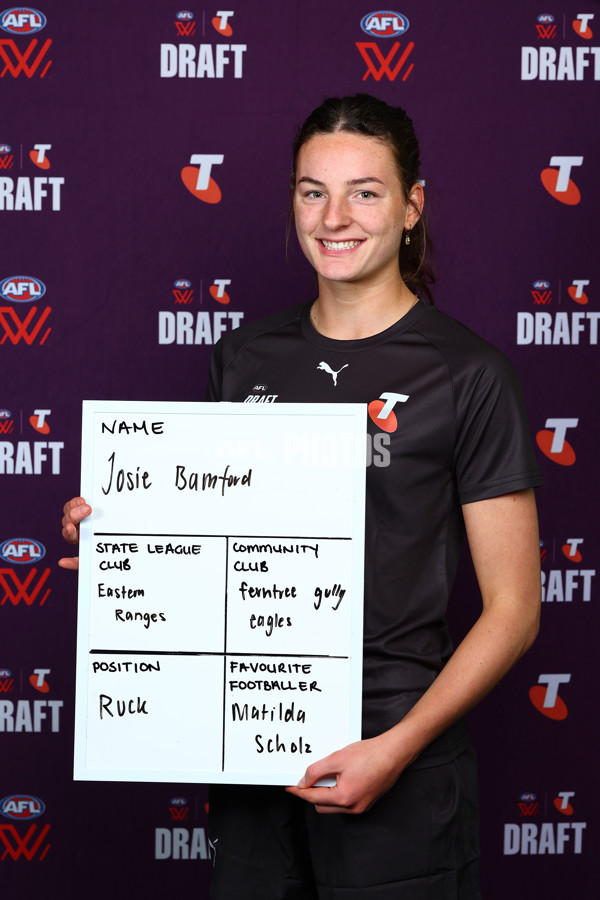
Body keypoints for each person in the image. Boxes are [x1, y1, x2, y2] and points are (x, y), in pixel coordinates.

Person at [60, 94, 543, 899]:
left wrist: (395, 749)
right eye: (312, 190)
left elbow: (515, 610)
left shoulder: (469, 376)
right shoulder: (245, 356)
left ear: (412, 206)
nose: (334, 216)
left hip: (399, 762)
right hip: (252, 756)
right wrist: (125, 547)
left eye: (365, 190)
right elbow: (223, 548)